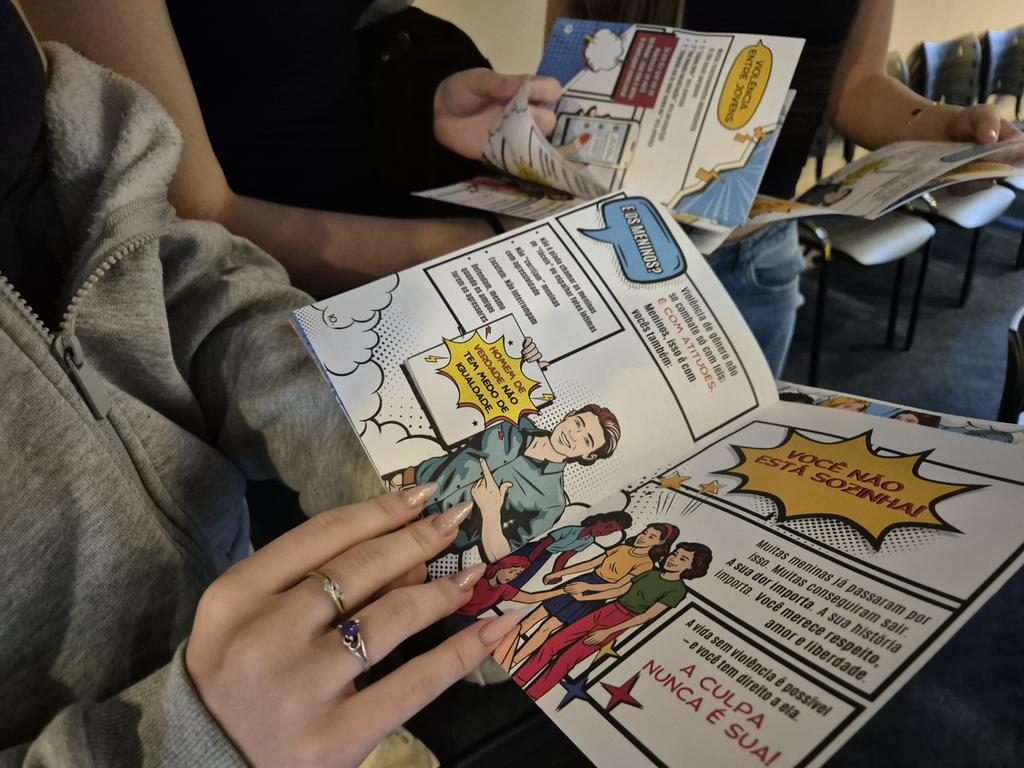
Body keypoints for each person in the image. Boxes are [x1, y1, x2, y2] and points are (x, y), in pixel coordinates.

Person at [0, 4, 523, 763]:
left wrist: (356, 424)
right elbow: (212, 205)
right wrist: (186, 743)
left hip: (274, 629)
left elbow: (154, 258)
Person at [550, 0, 1024, 375]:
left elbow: (857, 86)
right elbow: (570, 67)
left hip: (756, 253)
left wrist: (940, 129)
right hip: (610, 251)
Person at [20, 0, 564, 298]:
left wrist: (426, 92)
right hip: (259, 291)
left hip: (412, 202)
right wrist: (490, 250)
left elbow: (348, 23)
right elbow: (190, 216)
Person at [393, 404, 621, 562]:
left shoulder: (553, 501)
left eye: (587, 440)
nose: (574, 435)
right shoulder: (513, 420)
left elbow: (497, 553)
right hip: (402, 486)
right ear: (570, 415)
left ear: (589, 455)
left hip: (424, 540)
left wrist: (491, 510)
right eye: (578, 423)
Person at [513, 541, 713, 700]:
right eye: (675, 554)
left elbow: (647, 616)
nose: (674, 559)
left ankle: (532, 694)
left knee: (567, 659)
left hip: (621, 621)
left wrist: (608, 632)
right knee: (552, 644)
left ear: (692, 566)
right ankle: (518, 680)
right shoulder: (650, 573)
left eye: (682, 558)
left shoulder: (677, 590)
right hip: (606, 609)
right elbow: (618, 589)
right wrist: (585, 598)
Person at [504, 523, 679, 668]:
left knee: (547, 628)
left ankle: (512, 663)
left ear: (660, 542)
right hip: (583, 580)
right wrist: (560, 573)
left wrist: (587, 588)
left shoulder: (646, 564)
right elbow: (591, 563)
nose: (643, 537)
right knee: (533, 617)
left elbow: (619, 586)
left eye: (651, 536)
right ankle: (501, 652)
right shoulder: (622, 548)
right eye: (645, 532)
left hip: (595, 593)